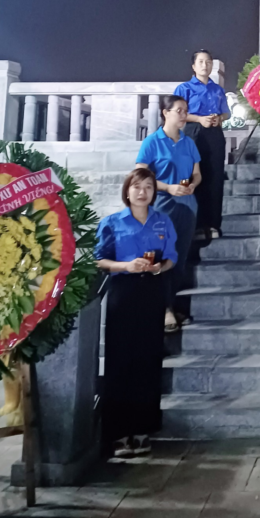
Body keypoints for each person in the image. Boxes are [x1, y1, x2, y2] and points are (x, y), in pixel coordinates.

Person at [95, 168, 178, 458]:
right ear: (127, 191)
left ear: (154, 192)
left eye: (148, 187)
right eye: (137, 187)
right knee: (120, 361)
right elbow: (99, 260)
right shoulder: (112, 222)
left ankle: (143, 430)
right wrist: (126, 266)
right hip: (123, 293)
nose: (143, 192)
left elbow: (172, 257)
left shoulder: (163, 221)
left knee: (148, 359)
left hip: (152, 293)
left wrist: (160, 267)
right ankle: (119, 434)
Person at [136, 94, 201, 333]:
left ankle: (170, 304)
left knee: (179, 259)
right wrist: (167, 187)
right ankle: (163, 310)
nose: (184, 115)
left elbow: (197, 173)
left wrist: (192, 185)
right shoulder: (152, 142)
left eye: (185, 111)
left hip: (187, 205)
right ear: (165, 113)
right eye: (179, 111)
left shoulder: (188, 143)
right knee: (160, 257)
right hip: (162, 206)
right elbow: (140, 175)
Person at [174, 50, 230, 241]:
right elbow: (177, 113)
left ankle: (213, 224)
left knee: (215, 178)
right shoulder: (184, 88)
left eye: (208, 62)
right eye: (201, 62)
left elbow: (226, 113)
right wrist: (199, 119)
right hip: (193, 133)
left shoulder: (217, 89)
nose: (205, 65)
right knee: (194, 176)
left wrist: (219, 118)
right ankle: (196, 226)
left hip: (214, 134)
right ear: (193, 66)